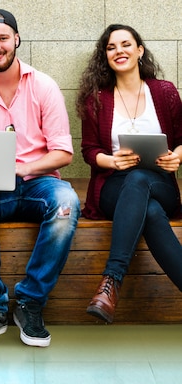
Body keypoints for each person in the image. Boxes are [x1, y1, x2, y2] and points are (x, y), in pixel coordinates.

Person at [0, 9, 80, 348]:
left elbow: (64, 154)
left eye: (2, 39)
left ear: (16, 39)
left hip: (39, 182)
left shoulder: (44, 86)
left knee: (67, 202)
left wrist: (23, 168)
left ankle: (29, 302)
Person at [76, 24, 182, 323]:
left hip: (159, 182)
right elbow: (89, 150)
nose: (119, 51)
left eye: (125, 44)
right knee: (147, 209)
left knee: (141, 181)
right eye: (111, 47)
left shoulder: (164, 92)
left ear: (139, 50)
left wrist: (177, 156)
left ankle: (111, 282)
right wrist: (111, 161)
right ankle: (110, 285)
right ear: (105, 56)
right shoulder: (96, 99)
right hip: (114, 185)